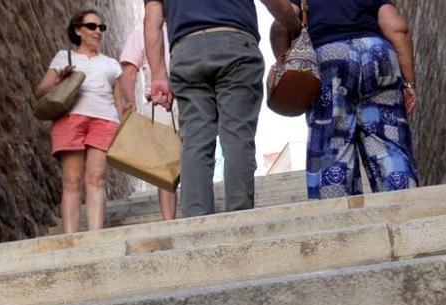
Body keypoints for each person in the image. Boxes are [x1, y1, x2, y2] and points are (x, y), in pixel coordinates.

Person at [144, 0, 302, 218]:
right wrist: (294, 23)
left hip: (186, 51)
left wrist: (158, 75)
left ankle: (196, 224)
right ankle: (239, 220)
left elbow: (152, 17)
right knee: (237, 135)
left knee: (195, 141)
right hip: (235, 44)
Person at [271, 0, 419, 200]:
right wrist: (409, 84)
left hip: (330, 59)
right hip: (377, 55)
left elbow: (280, 26)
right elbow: (397, 29)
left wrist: (286, 66)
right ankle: (405, 208)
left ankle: (339, 220)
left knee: (332, 146)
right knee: (389, 145)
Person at [34, 9, 123, 233]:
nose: (98, 32)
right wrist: (60, 78)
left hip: (104, 120)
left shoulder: (112, 64)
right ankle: (70, 239)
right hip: (70, 119)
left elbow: (119, 101)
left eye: (101, 28)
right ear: (78, 30)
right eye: (92, 26)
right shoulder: (64, 57)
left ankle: (95, 236)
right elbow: (40, 91)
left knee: (97, 178)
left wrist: (122, 126)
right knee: (72, 181)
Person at [118, 22, 179, 220]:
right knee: (166, 167)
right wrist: (130, 104)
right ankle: (170, 221)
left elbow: (128, 71)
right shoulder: (141, 31)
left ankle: (179, 218)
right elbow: (129, 70)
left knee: (174, 165)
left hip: (188, 99)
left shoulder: (184, 22)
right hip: (162, 103)